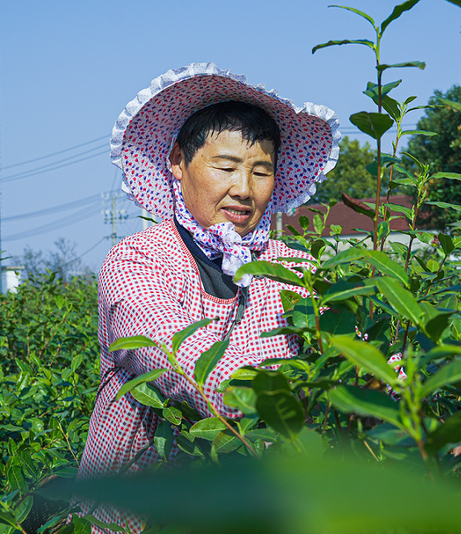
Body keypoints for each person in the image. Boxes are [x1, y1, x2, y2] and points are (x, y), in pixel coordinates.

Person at [77, 63, 339, 533]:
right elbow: (170, 352)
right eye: (226, 167)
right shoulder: (138, 260)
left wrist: (410, 403)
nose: (244, 189)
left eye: (261, 171)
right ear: (178, 161)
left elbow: (356, 347)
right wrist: (273, 403)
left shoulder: (296, 270)